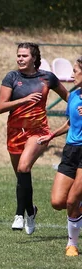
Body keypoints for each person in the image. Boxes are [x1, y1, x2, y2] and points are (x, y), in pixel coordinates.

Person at [0, 42, 69, 234]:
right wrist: (23, 100)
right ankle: (31, 210)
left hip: (39, 131)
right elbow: (1, 107)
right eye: (18, 55)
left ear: (34, 58)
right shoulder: (11, 77)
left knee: (23, 167)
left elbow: (70, 98)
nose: (20, 59)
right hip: (15, 132)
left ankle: (19, 214)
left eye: (24, 56)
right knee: (21, 177)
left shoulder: (47, 78)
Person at [38, 56, 82, 256]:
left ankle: (71, 244)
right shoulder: (73, 96)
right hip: (70, 150)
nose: (72, 75)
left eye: (75, 71)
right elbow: (71, 123)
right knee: (58, 202)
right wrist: (51, 135)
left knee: (73, 200)